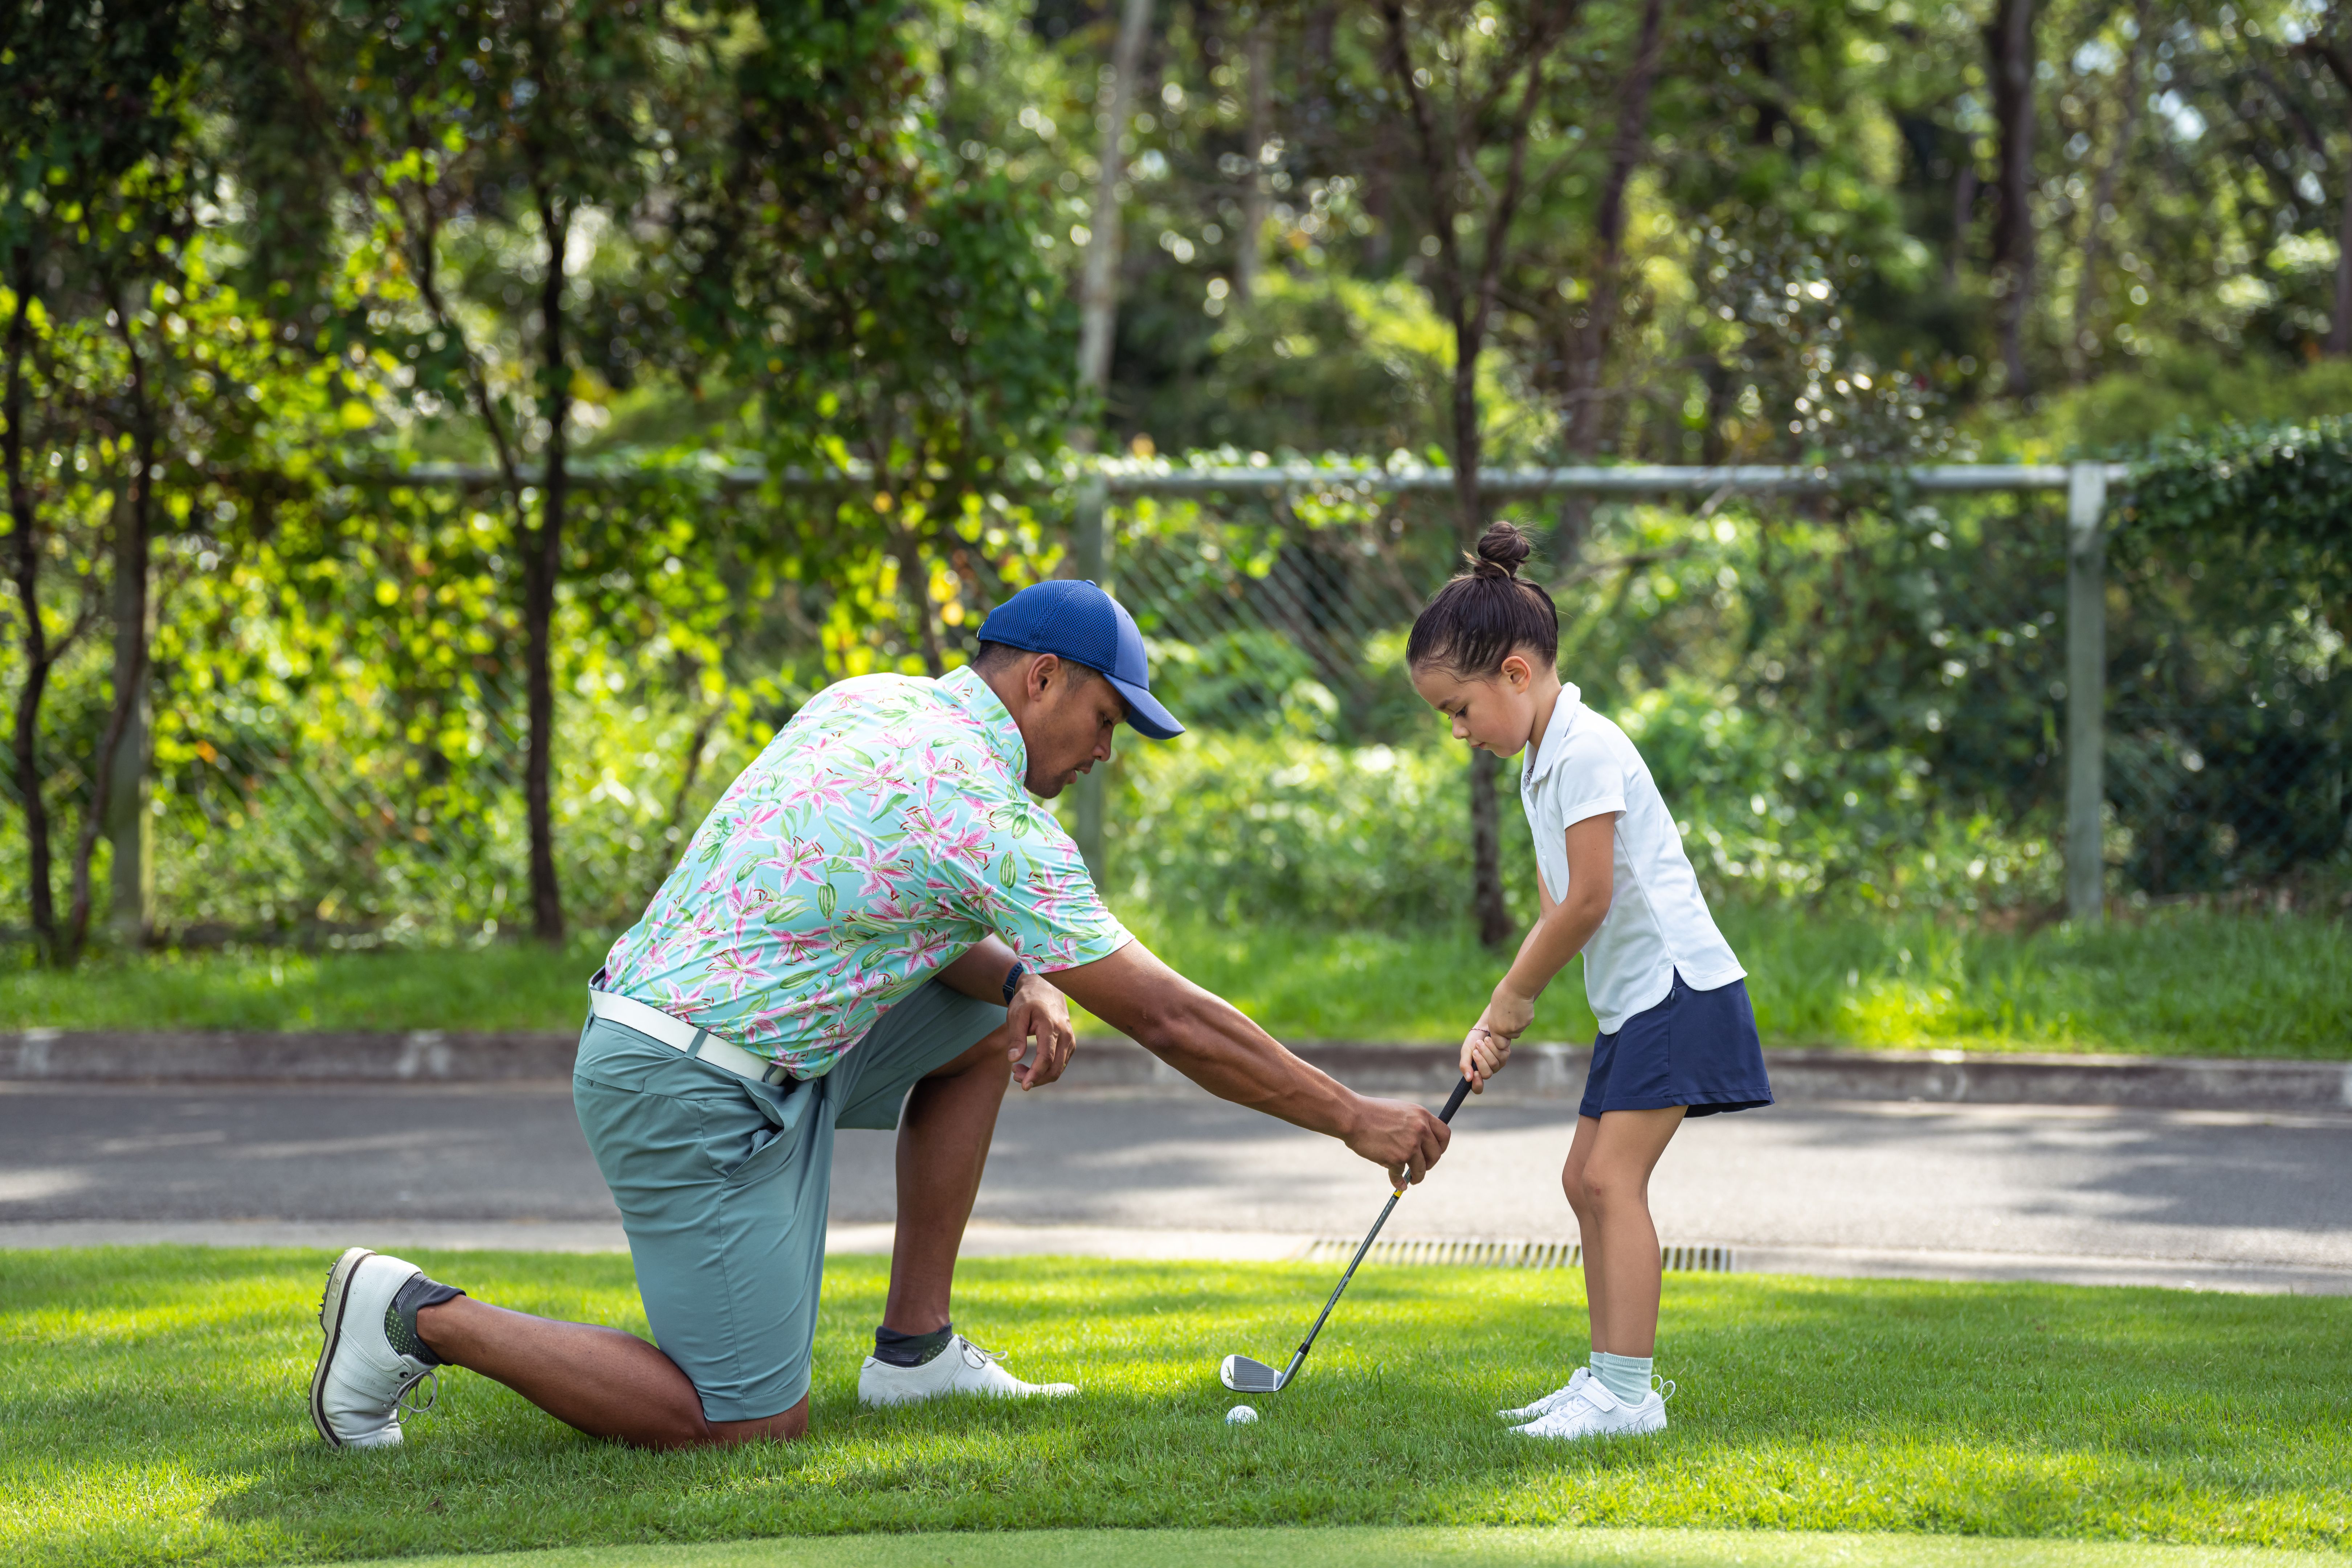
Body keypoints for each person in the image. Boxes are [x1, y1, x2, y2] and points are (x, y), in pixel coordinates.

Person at [308, 578, 1451, 1451]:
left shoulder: (875, 702)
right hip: (686, 1092)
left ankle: (915, 1350)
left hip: (732, 1047)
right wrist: (1354, 1118)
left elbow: (891, 904)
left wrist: (1017, 981)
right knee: (742, 1423)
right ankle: (414, 1315)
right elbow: (1170, 1021)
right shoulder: (983, 811)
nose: (1106, 753)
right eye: (1107, 720)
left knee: (996, 1023)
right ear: (1042, 679)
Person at [1405, 521, 1771, 1442]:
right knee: (1584, 1178)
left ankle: (1626, 1397)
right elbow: (1557, 910)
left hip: (1681, 991)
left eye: (1459, 709)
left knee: (1612, 1180)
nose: (1456, 731)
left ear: (1517, 676)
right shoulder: (1541, 762)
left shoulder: (1588, 750)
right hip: (1637, 1002)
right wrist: (1506, 1021)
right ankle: (1609, 1381)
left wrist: (1506, 999)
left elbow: (1590, 901)